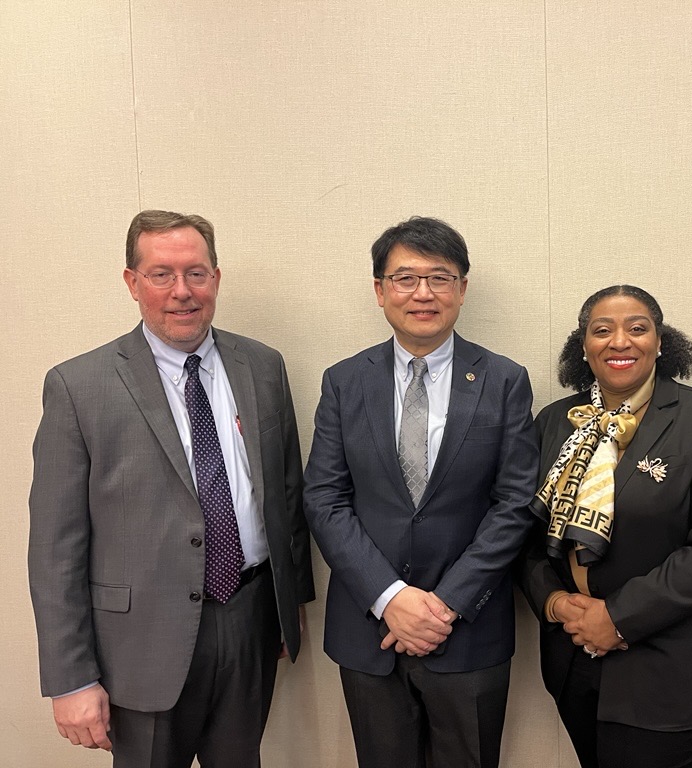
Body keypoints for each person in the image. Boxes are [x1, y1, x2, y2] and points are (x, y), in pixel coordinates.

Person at [27, 210, 315, 767]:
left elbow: (285, 495)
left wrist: (289, 604)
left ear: (216, 278)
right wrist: (70, 678)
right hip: (139, 645)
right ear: (132, 282)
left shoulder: (261, 366)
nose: (181, 292)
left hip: (250, 619)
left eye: (196, 273)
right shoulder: (78, 386)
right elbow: (54, 548)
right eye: (161, 274)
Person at [303, 216, 538, 768]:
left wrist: (445, 603)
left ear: (462, 287)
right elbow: (324, 499)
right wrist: (392, 598)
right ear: (380, 291)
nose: (423, 293)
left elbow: (516, 502)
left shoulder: (504, 380)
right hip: (369, 629)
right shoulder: (344, 381)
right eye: (406, 278)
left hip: (469, 628)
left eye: (440, 277)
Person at [520, 285, 692, 768]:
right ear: (582, 346)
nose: (619, 341)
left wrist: (617, 617)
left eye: (637, 328)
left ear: (660, 341)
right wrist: (552, 601)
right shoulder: (555, 422)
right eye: (602, 330)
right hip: (575, 657)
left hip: (674, 669)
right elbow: (525, 534)